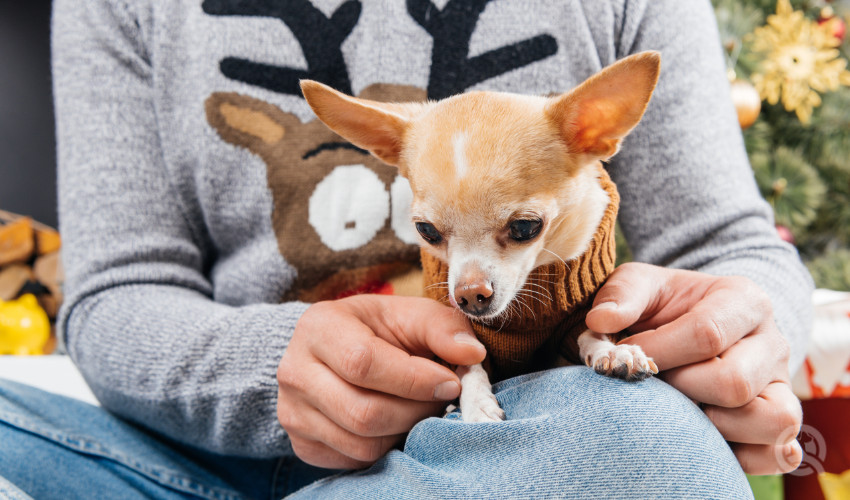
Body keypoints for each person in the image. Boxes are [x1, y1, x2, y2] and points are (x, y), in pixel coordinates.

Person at [0, 0, 811, 498]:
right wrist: (274, 366)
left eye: (518, 228)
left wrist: (740, 329)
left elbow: (728, 245)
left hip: (530, 432)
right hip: (210, 465)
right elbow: (113, 294)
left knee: (634, 439)